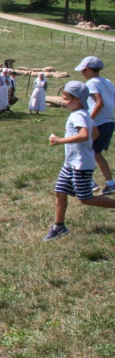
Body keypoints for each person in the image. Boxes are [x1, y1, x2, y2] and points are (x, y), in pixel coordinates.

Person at [45, 81, 115, 241]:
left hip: (81, 165)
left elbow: (85, 135)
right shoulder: (85, 114)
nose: (63, 101)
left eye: (66, 98)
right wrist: (86, 148)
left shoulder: (79, 115)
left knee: (85, 198)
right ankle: (59, 227)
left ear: (78, 100)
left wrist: (60, 140)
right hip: (71, 163)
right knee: (60, 192)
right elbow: (95, 132)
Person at [77, 56, 115, 195]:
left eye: (83, 70)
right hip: (109, 121)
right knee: (95, 153)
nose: (82, 73)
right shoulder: (107, 81)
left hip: (98, 123)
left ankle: (89, 182)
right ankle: (110, 183)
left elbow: (99, 103)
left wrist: (88, 119)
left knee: (82, 149)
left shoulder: (91, 83)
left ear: (88, 69)